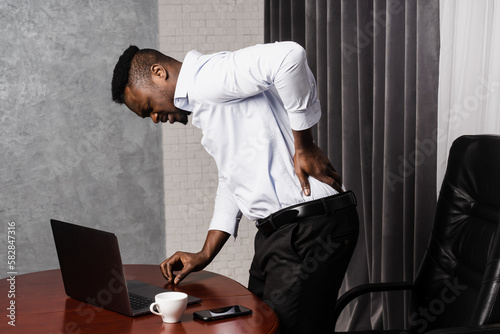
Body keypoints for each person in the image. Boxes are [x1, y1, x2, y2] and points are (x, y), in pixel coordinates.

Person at [111, 42, 359, 333]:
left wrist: (303, 145)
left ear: (158, 73)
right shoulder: (207, 104)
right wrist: (205, 253)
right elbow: (232, 178)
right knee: (258, 325)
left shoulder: (208, 77)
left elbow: (289, 56)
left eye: (149, 108)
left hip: (311, 226)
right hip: (279, 234)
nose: (155, 118)